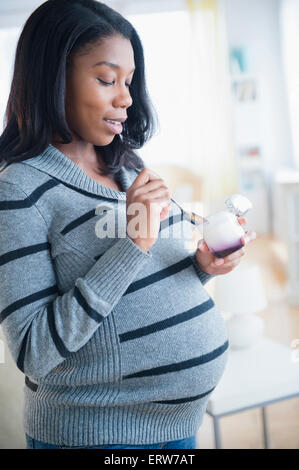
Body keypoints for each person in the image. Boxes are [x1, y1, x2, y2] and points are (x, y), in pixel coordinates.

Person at [0, 0, 255, 450]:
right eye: (106, 79)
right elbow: (33, 352)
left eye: (129, 82)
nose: (126, 98)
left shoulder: (126, 165)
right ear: (52, 77)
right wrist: (133, 241)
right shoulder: (20, 190)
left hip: (176, 429)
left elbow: (142, 282)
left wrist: (201, 264)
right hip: (97, 436)